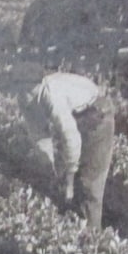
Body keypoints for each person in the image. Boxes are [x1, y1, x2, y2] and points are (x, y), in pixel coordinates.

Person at [16, 65, 116, 230]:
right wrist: (53, 169)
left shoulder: (52, 95)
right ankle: (69, 231)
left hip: (97, 115)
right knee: (64, 179)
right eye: (20, 89)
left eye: (29, 90)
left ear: (39, 85)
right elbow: (40, 136)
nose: (25, 94)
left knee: (88, 185)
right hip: (76, 115)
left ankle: (91, 241)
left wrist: (69, 182)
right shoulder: (25, 99)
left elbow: (71, 139)